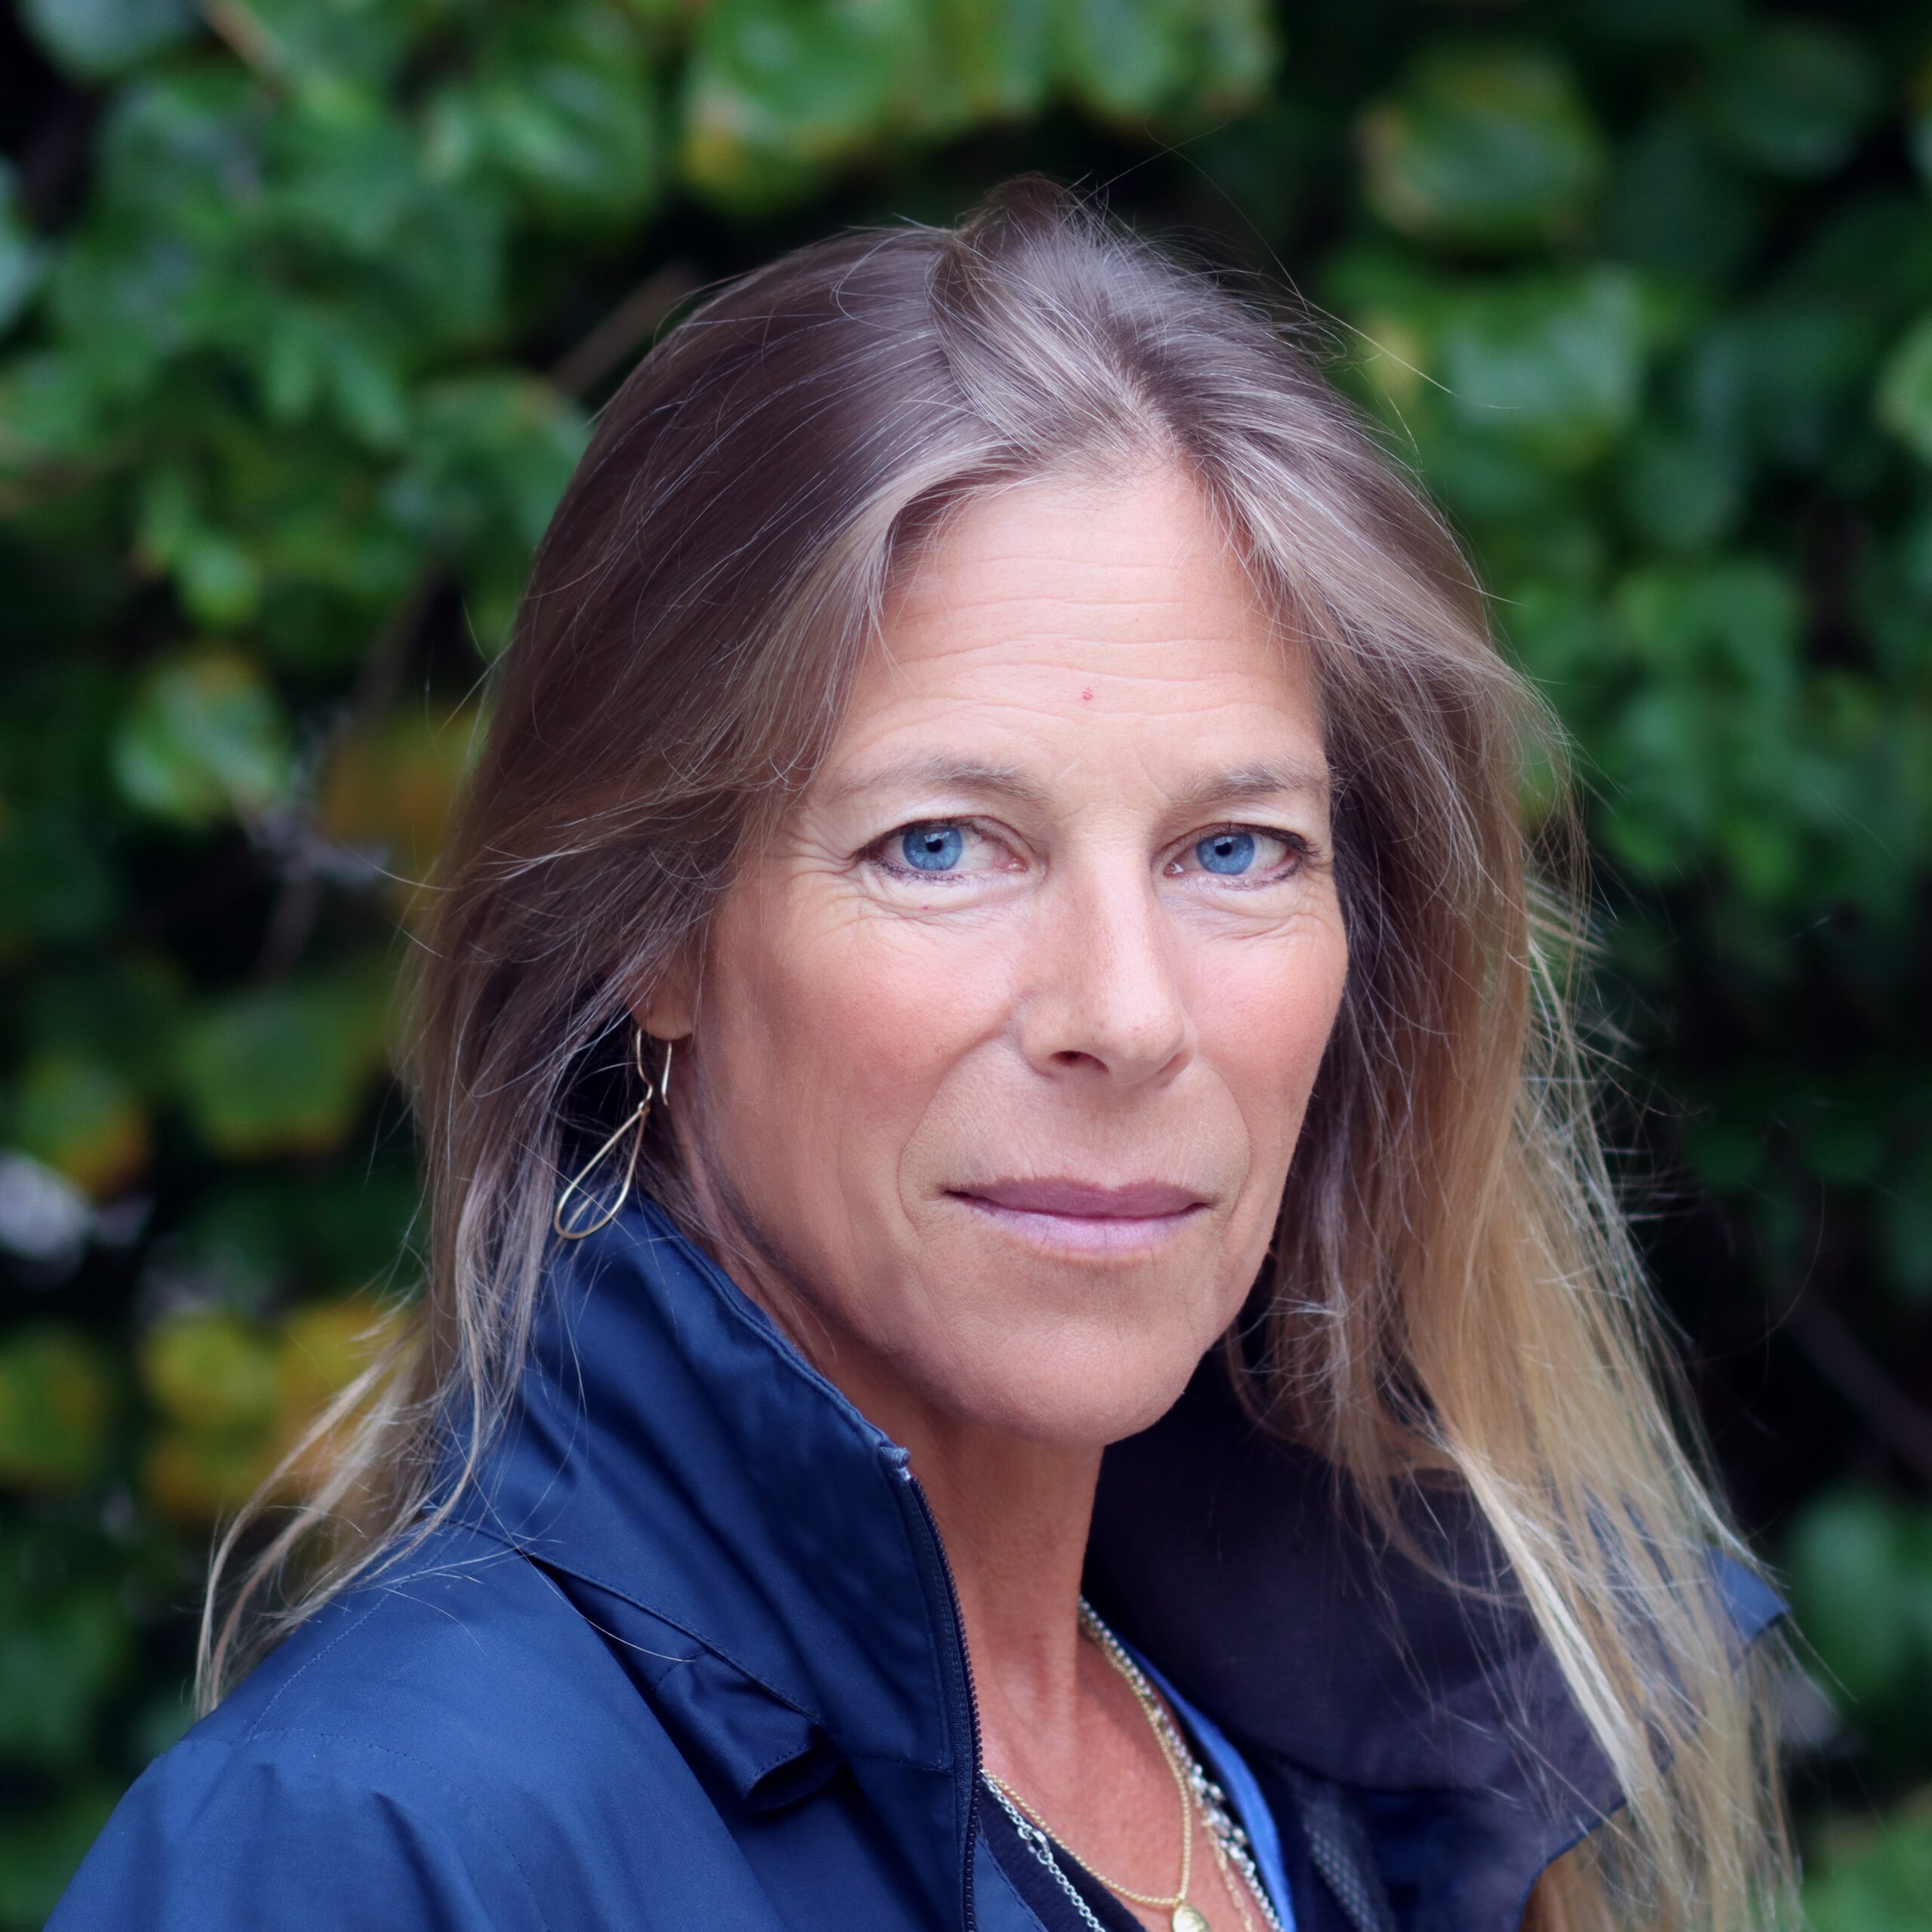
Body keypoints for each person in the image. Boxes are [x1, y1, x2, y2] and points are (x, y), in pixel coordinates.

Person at [50, 178, 1790, 1932]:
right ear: (654, 927)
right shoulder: (374, 1844)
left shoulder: (1363, 1757)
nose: (1122, 1012)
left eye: (1233, 848)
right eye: (941, 844)